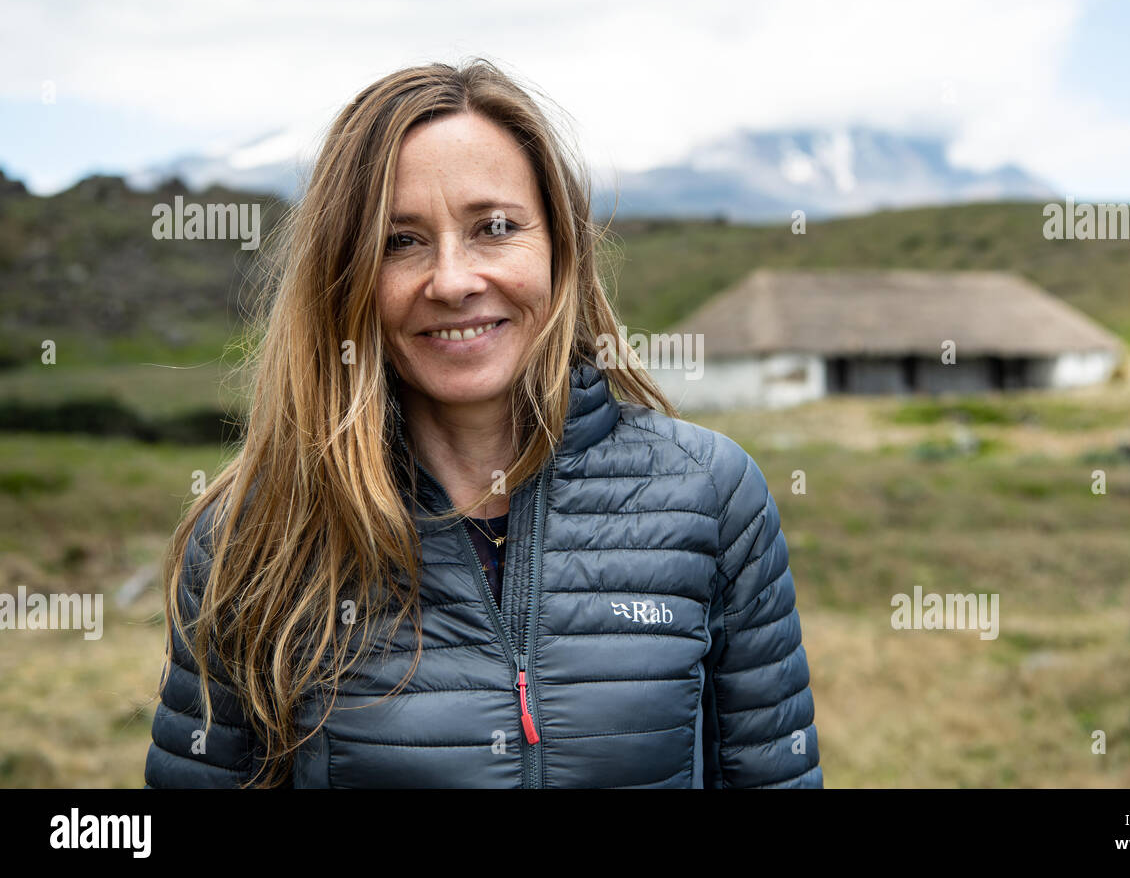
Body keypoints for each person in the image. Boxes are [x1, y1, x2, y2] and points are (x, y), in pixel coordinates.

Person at [143, 58, 822, 788]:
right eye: (400, 241)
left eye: (494, 227)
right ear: (344, 276)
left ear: (561, 249)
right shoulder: (256, 531)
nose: (454, 280)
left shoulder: (712, 496)